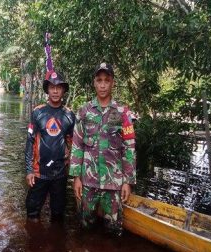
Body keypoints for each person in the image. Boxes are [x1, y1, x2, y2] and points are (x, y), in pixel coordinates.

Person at [70, 62, 136, 236]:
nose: (103, 84)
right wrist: (76, 177)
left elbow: (129, 148)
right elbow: (77, 145)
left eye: (107, 80)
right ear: (94, 82)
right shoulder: (83, 112)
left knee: (114, 231)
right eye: (99, 80)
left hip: (113, 183)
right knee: (85, 227)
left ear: (112, 82)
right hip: (88, 182)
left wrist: (127, 182)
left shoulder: (123, 113)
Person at [24, 71, 76, 222]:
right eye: (52, 87)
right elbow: (30, 142)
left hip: (60, 174)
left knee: (58, 217)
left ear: (63, 90)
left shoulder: (69, 115)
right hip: (39, 173)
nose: (55, 91)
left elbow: (74, 145)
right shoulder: (38, 112)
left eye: (58, 87)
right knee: (32, 215)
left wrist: (74, 171)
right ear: (47, 89)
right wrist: (29, 170)